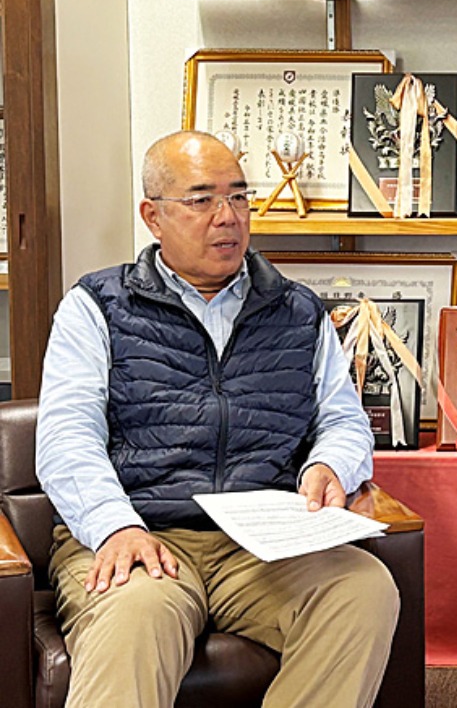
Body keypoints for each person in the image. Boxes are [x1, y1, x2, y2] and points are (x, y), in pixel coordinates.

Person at [36, 131, 399, 708]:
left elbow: (343, 419)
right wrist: (114, 526)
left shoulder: (297, 310)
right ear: (153, 217)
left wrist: (330, 465)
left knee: (361, 588)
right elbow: (66, 438)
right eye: (202, 199)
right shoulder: (97, 306)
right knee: (136, 612)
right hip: (140, 531)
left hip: (262, 546)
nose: (227, 217)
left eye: (238, 197)